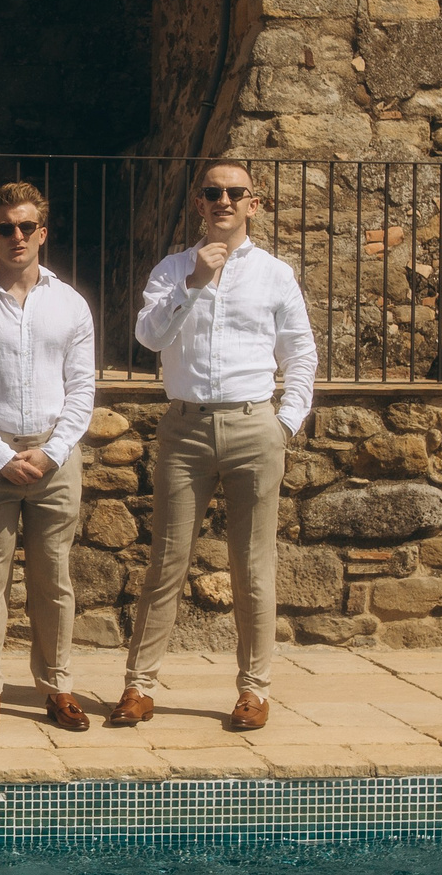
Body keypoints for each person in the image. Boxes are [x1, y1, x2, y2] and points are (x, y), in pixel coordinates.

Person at [111, 160, 316, 733]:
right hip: (185, 428)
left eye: (235, 192)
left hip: (255, 427)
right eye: (212, 192)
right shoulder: (173, 269)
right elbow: (148, 336)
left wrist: (286, 423)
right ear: (199, 204)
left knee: (253, 568)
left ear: (254, 203)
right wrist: (193, 283)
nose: (223, 200)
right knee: (166, 564)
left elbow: (300, 353)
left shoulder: (276, 275)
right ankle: (139, 685)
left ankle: (254, 691)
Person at [0, 181, 96, 734]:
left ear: (43, 232)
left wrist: (51, 453)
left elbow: (82, 389)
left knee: (55, 579)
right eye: (6, 228)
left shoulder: (71, 304)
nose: (17, 236)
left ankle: (57, 687)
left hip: (56, 455)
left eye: (27, 226)